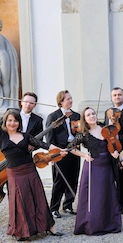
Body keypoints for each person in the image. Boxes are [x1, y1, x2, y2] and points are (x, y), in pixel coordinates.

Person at [0, 94, 64, 241]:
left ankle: (50, 228)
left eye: (15, 121)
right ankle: (22, 231)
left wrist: (59, 150)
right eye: (9, 121)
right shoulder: (0, 135)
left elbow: (44, 145)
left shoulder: (26, 136)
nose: (12, 123)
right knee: (19, 201)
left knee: (38, 197)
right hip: (14, 172)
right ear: (5, 122)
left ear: (19, 123)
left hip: (29, 170)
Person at [67, 107, 122, 235]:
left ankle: (109, 223)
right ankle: (92, 225)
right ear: (84, 119)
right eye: (88, 115)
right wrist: (84, 155)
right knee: (94, 197)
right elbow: (70, 148)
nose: (92, 116)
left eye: (93, 113)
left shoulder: (105, 129)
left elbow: (111, 144)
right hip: (92, 167)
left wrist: (114, 153)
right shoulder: (83, 134)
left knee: (106, 195)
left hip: (106, 166)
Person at [46, 90, 81, 218]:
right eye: (68, 99)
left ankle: (68, 205)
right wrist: (52, 155)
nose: (71, 101)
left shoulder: (77, 116)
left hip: (74, 150)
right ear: (61, 101)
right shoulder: (53, 116)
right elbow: (50, 138)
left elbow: (80, 133)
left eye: (71, 98)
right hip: (60, 151)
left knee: (73, 178)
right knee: (59, 180)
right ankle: (54, 208)